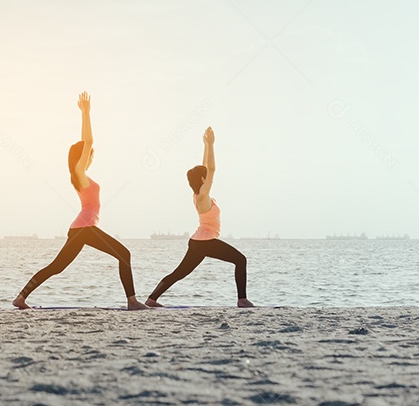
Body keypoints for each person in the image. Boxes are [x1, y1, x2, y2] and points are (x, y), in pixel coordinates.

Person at [13, 92, 146, 310]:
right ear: (83, 157)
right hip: (84, 228)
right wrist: (86, 113)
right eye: (90, 155)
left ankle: (21, 298)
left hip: (80, 228)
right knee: (124, 254)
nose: (92, 157)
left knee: (57, 266)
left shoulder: (82, 177)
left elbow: (87, 146)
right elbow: (88, 141)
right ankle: (132, 301)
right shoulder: (80, 174)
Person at [145, 127, 253, 308]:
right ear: (204, 180)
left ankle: (151, 299)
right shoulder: (202, 196)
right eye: (207, 177)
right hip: (205, 241)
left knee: (179, 273)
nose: (210, 178)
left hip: (198, 242)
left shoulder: (199, 193)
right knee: (240, 260)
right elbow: (211, 168)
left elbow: (205, 168)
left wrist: (205, 145)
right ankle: (242, 300)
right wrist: (211, 145)